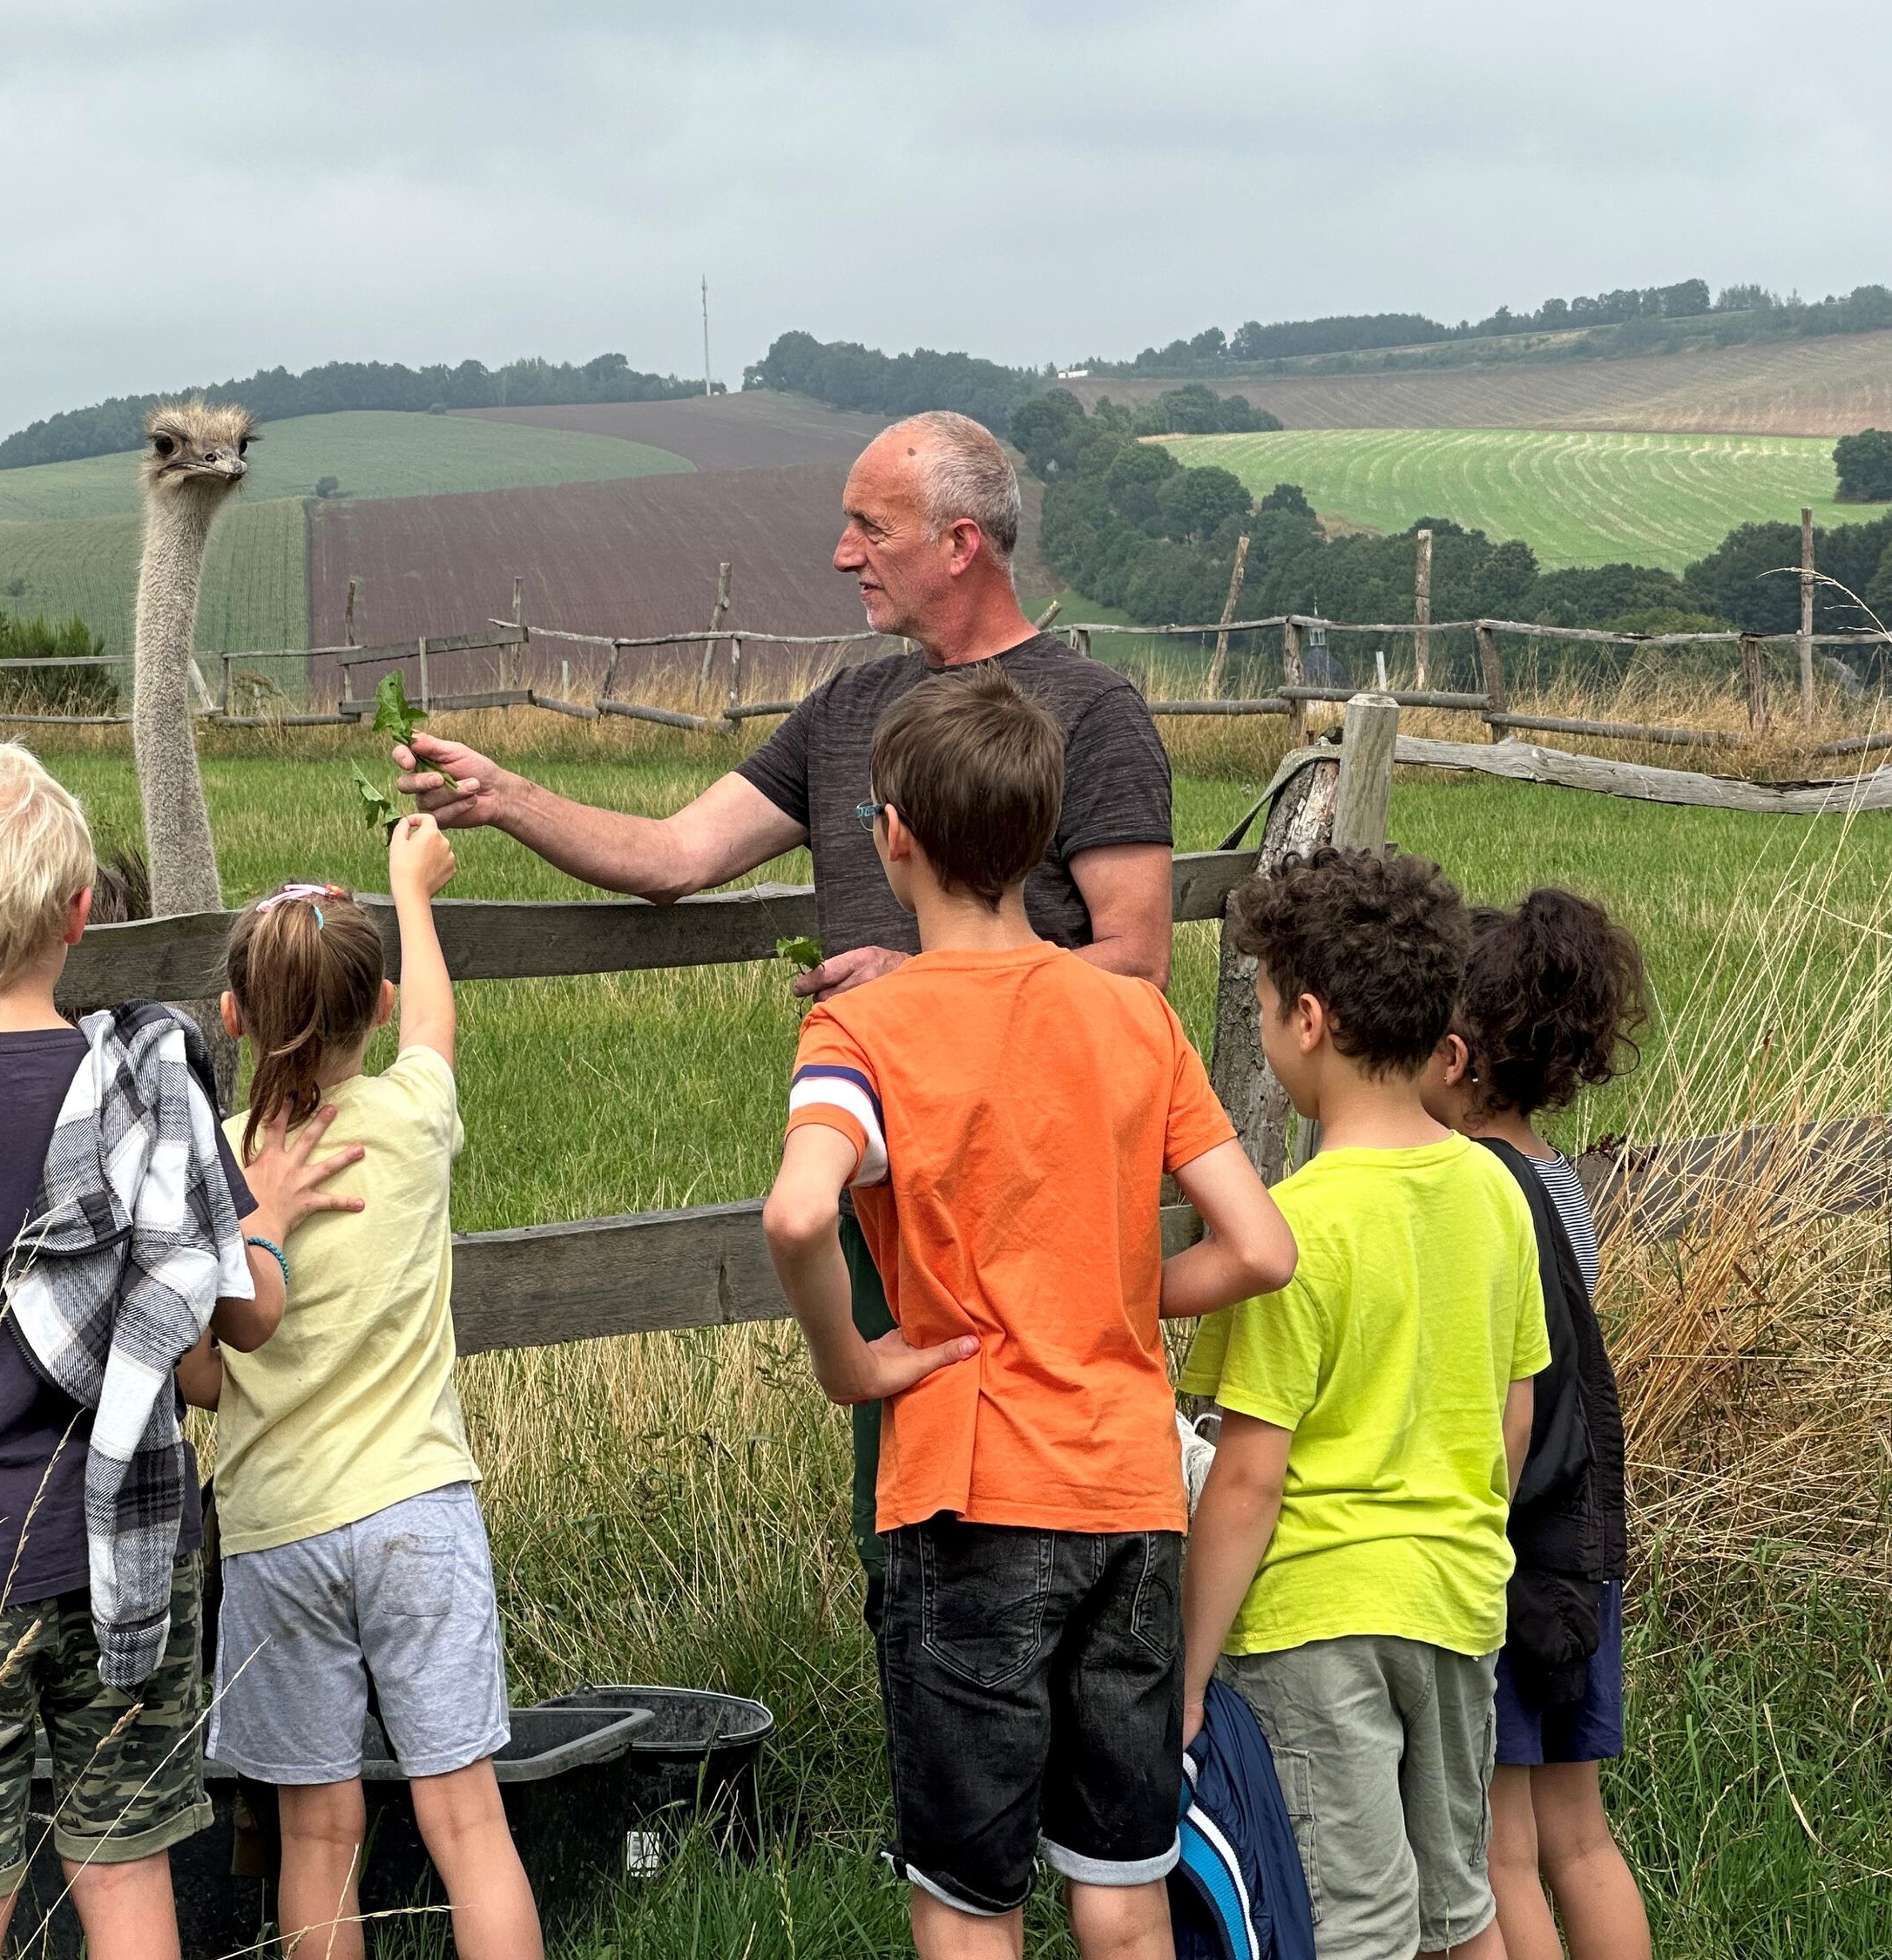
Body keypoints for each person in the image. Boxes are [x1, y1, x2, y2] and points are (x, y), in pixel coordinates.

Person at [395, 409, 1177, 1612]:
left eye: (872, 526)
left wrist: (918, 988)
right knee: (904, 1504)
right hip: (884, 1181)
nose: (842, 552)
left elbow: (1135, 958)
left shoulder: (1093, 711)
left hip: (1029, 1185)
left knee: (1029, 1490)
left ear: (961, 543)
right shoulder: (849, 710)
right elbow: (675, 854)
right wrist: (504, 797)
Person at [0, 740, 358, 1960]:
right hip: (130, 1551)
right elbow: (208, 1318)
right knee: (127, 1871)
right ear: (81, 912)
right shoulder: (145, 1095)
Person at [761, 666, 1296, 1960]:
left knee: (969, 1896)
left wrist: (851, 1364)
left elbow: (795, 1214)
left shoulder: (860, 1030)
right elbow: (1262, 1247)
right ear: (1041, 831)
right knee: (1122, 1882)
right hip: (1128, 1492)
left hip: (969, 1492)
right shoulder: (1134, 1017)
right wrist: (1120, 1288)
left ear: (894, 834)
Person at [177, 814, 544, 1960]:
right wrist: (411, 890)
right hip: (418, 1511)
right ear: (375, 1005)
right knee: (467, 1820)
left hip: (278, 1531)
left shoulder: (217, 1168)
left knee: (317, 1834)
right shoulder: (413, 1118)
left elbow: (199, 1373)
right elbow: (435, 1021)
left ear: (231, 1016)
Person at [1180, 847, 1552, 1960]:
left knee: (1352, 1929)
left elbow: (1249, 1478)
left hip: (1318, 1625)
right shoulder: (1498, 1191)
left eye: (1262, 1007)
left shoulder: (1292, 1228)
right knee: (1460, 1907)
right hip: (1460, 1602)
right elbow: (1516, 1413)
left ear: (1308, 1020)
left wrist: (1187, 1677)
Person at [1421, 893, 1652, 1960]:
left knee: (1498, 1851)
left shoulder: (1472, 1189)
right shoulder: (1562, 1184)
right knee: (1582, 1837)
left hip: (1510, 1549)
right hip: (1585, 1545)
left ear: (1457, 1057)